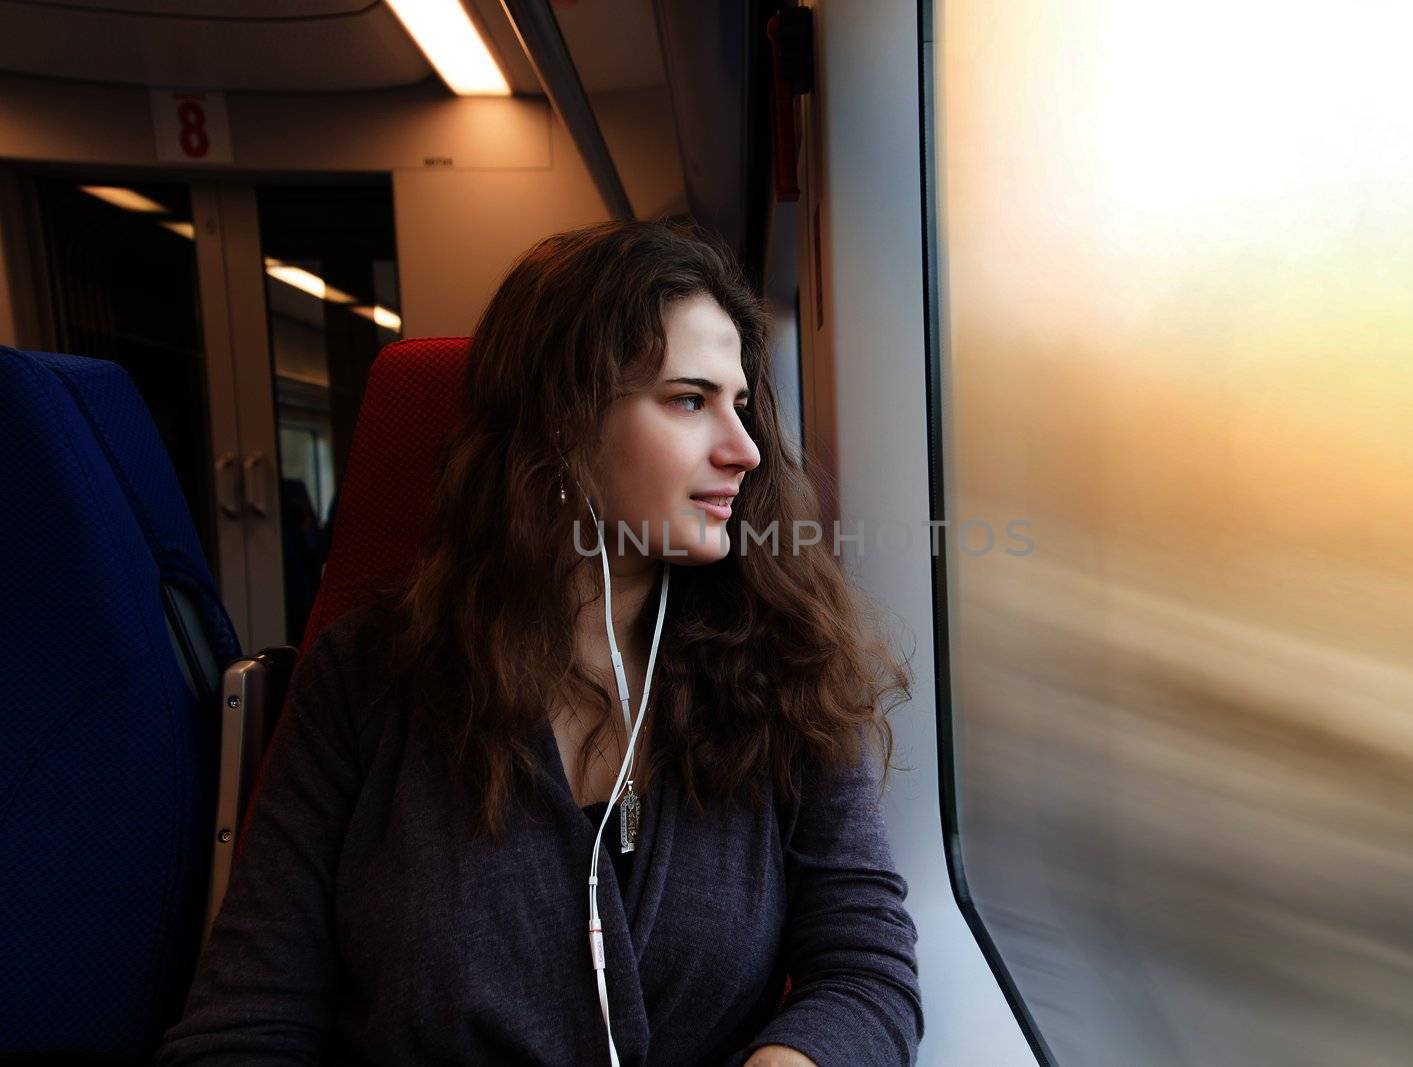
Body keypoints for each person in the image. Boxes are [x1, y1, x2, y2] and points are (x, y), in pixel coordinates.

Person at [158, 220, 923, 1066]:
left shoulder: (785, 662)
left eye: (740, 404)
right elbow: (244, 1027)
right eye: (688, 399)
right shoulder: (367, 680)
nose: (743, 449)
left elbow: (864, 967)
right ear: (560, 422)